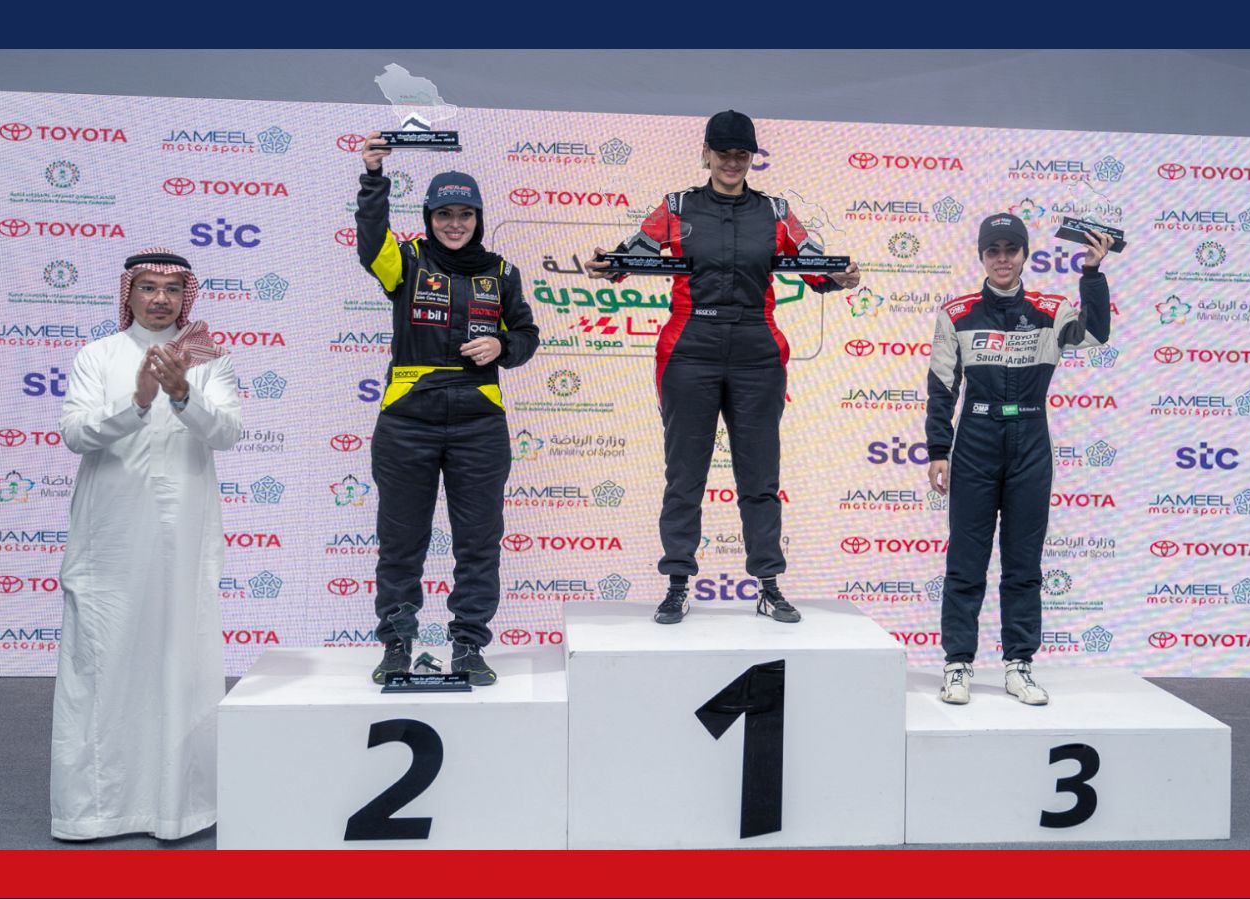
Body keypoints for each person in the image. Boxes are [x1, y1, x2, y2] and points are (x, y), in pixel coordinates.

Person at [585, 109, 861, 625]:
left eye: (742, 154)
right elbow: (631, 255)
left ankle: (769, 585)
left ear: (752, 158)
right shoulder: (676, 206)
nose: (732, 163)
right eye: (723, 153)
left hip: (757, 348)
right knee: (684, 474)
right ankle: (676, 585)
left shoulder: (776, 211)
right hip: (689, 347)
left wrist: (842, 276)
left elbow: (816, 266)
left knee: (760, 474)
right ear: (705, 154)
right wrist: (607, 264)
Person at [51, 247, 241, 840]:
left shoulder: (207, 357)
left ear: (185, 296)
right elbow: (75, 434)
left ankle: (180, 806)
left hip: (184, 534)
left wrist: (183, 394)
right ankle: (95, 810)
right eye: (148, 287)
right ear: (128, 294)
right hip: (109, 535)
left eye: (171, 289)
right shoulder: (98, 355)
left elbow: (228, 432)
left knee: (182, 657)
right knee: (103, 657)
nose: (160, 298)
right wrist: (136, 402)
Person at [355, 133, 539, 685]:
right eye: (444, 214)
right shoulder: (405, 261)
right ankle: (396, 646)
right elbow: (371, 239)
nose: (454, 224)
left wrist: (501, 345)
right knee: (400, 542)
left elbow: (526, 335)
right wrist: (374, 180)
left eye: (464, 215)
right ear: (429, 217)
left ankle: (468, 647)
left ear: (478, 218)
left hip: (479, 424)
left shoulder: (501, 272)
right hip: (406, 422)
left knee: (478, 542)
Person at [925, 214, 1112, 706]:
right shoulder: (957, 313)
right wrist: (939, 449)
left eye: (1011, 249)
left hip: (1030, 437)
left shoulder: (1051, 309)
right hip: (976, 439)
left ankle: (1019, 664)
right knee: (966, 560)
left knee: (1023, 562)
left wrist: (1091, 273)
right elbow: (942, 386)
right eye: (993, 250)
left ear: (1026, 255)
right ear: (982, 257)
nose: (1002, 259)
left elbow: (1096, 334)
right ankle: (957, 664)